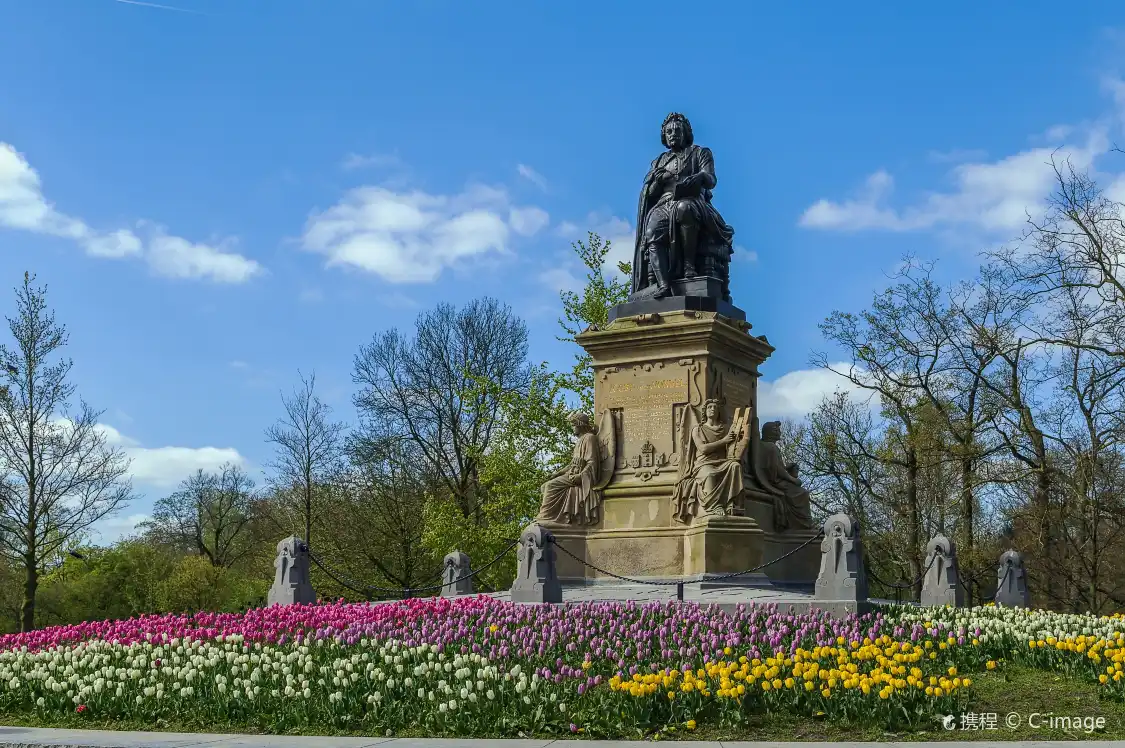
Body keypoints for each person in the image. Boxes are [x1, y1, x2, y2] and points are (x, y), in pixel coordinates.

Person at [631, 113, 735, 300]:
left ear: (686, 133)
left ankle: (689, 266)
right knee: (652, 229)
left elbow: (711, 180)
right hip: (665, 203)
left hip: (693, 200)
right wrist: (656, 181)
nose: (673, 134)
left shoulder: (700, 153)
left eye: (677, 130)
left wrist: (700, 177)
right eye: (668, 131)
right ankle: (663, 285)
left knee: (684, 209)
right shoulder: (659, 162)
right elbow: (650, 193)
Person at [672, 399, 745, 523]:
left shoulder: (725, 429)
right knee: (710, 474)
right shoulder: (697, 430)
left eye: (715, 407)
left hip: (722, 461)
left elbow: (733, 447)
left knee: (735, 466)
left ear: (719, 411)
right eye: (710, 407)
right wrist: (725, 441)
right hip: (703, 464)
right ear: (705, 411)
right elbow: (703, 448)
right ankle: (713, 506)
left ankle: (732, 503)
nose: (713, 409)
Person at [537, 411, 602, 525]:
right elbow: (572, 464)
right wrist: (557, 473)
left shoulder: (590, 438)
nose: (573, 428)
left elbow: (592, 462)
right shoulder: (579, 441)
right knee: (544, 487)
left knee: (550, 486)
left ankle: (546, 517)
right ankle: (554, 517)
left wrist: (580, 476)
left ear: (580, 424)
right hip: (571, 474)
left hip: (581, 476)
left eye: (574, 425)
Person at [757, 421, 813, 531]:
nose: (779, 432)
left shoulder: (763, 445)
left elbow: (774, 467)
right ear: (768, 432)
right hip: (775, 482)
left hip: (772, 479)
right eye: (775, 430)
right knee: (802, 493)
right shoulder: (772, 448)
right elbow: (777, 471)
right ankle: (803, 524)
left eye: (778, 430)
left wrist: (786, 468)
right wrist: (792, 479)